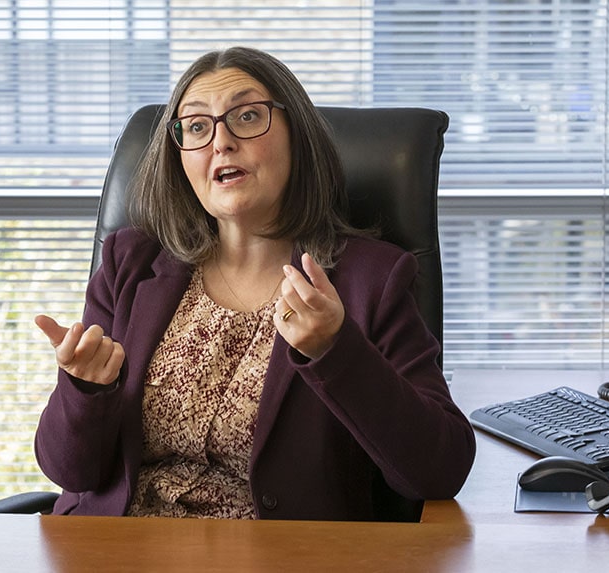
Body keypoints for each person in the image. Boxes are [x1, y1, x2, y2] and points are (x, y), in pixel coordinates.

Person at [34, 46, 476, 521]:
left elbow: (440, 469)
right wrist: (84, 391)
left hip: (277, 552)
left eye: (246, 117)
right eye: (197, 127)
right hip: (115, 547)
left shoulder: (371, 280)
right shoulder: (131, 262)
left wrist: (336, 351)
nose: (221, 142)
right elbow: (70, 472)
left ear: (297, 137)